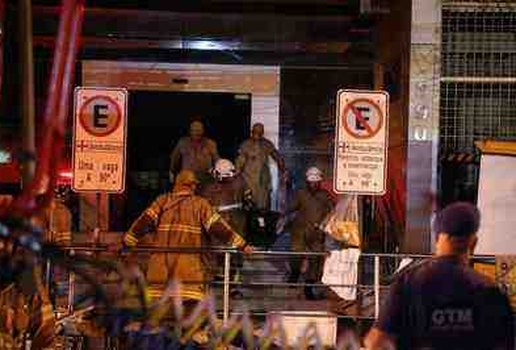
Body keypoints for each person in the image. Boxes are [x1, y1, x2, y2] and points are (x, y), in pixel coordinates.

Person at [365, 202, 514, 350]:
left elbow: (376, 343)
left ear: (437, 240)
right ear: (473, 243)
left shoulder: (408, 283)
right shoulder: (490, 291)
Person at [122, 170, 253, 308]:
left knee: (162, 315)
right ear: (192, 186)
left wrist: (127, 242)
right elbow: (219, 228)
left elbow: (144, 222)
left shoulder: (162, 202)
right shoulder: (200, 204)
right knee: (188, 313)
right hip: (189, 271)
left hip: (161, 271)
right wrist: (242, 245)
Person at [199, 159, 252, 298]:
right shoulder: (209, 188)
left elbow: (249, 201)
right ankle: (213, 282)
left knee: (235, 256)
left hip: (236, 224)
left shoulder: (240, 183)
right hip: (215, 225)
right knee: (215, 254)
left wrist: (247, 203)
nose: (224, 180)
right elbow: (202, 208)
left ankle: (233, 287)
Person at [285, 167, 334, 300]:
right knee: (296, 255)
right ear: (307, 182)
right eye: (311, 182)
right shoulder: (300, 193)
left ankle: (308, 288)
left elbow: (332, 212)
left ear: (320, 182)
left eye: (316, 182)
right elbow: (289, 207)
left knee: (315, 260)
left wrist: (326, 225)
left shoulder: (325, 196)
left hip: (317, 233)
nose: (313, 185)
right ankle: (294, 274)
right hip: (299, 231)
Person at [235, 122, 286, 210]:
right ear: (252, 132)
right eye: (255, 132)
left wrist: (284, 170)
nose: (257, 135)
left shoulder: (267, 144)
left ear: (262, 133)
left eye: (259, 133)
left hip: (263, 179)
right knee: (249, 204)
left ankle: (263, 221)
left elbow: (277, 157)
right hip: (248, 179)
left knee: (263, 205)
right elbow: (239, 162)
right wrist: (236, 175)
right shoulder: (245, 145)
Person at [169, 120, 219, 185]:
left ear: (203, 131)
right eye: (194, 130)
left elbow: (217, 161)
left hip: (206, 179)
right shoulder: (183, 143)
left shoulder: (210, 144)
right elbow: (174, 158)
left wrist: (219, 175)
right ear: (190, 131)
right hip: (187, 179)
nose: (196, 133)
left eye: (199, 130)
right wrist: (172, 172)